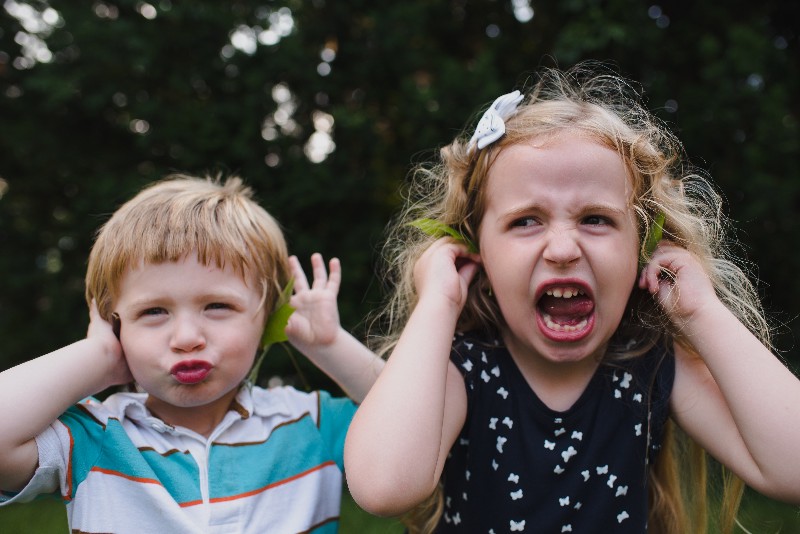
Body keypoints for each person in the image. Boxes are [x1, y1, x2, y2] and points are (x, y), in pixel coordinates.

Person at [343, 63, 800, 533]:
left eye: (596, 219)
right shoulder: (464, 372)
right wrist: (437, 303)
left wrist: (701, 312)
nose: (563, 249)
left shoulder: (649, 366)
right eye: (526, 221)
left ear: (641, 249)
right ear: (477, 251)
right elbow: (382, 486)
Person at [0, 174, 382, 533]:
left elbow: (421, 421)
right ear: (117, 325)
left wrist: (330, 348)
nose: (186, 337)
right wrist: (97, 356)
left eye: (217, 306)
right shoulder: (95, 437)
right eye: (153, 312)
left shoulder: (309, 423)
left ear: (266, 317)